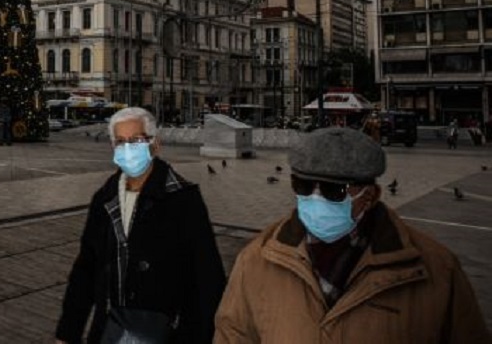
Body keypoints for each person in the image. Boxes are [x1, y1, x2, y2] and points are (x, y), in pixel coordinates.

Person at [214, 127, 490, 343]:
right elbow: (232, 335)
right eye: (304, 185)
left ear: (369, 196)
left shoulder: (435, 269)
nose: (315, 197)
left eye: (335, 191)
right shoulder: (257, 259)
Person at [55, 107, 226, 343]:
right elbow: (85, 269)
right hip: (110, 332)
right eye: (120, 142)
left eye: (136, 140)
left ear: (154, 145)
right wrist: (67, 333)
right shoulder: (105, 199)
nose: (127, 149)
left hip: (164, 334)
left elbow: (208, 281)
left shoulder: (183, 199)